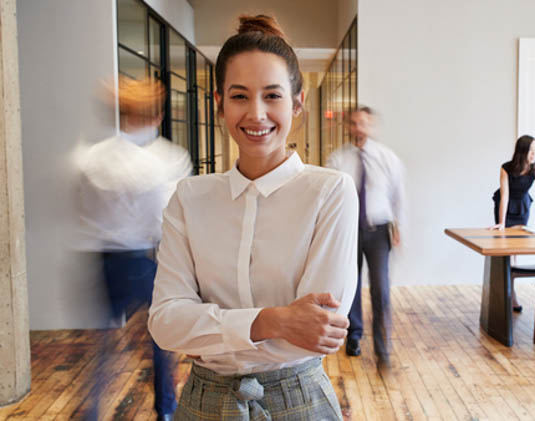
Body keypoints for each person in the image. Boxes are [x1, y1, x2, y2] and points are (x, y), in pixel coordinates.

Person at [148, 15, 358, 420]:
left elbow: (319, 332)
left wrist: (208, 332)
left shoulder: (330, 191)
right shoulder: (189, 197)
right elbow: (165, 323)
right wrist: (275, 320)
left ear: (297, 104)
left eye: (272, 96)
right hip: (204, 401)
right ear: (219, 103)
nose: (256, 114)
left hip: (298, 397)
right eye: (240, 96)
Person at [78, 76, 190, 421]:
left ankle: (93, 409)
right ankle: (166, 409)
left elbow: (82, 210)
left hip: (103, 260)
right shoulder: (167, 161)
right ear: (157, 116)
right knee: (160, 339)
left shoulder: (91, 158)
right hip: (143, 258)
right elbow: (165, 219)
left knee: (103, 344)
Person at [326, 106, 405, 373]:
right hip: (348, 231)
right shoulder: (338, 159)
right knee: (351, 285)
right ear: (348, 127)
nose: (359, 128)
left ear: (371, 127)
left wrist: (399, 227)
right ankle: (354, 336)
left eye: (363, 123)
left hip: (379, 230)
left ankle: (383, 351)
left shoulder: (387, 158)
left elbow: (398, 195)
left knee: (381, 290)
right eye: (354, 123)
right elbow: (330, 198)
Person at [490, 135, 535, 311]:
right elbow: (505, 195)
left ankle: (511, 291)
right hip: (505, 207)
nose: (534, 154)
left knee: (515, 250)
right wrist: (501, 222)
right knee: (506, 252)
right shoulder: (506, 168)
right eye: (531, 151)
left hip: (522, 207)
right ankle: (510, 294)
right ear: (522, 151)